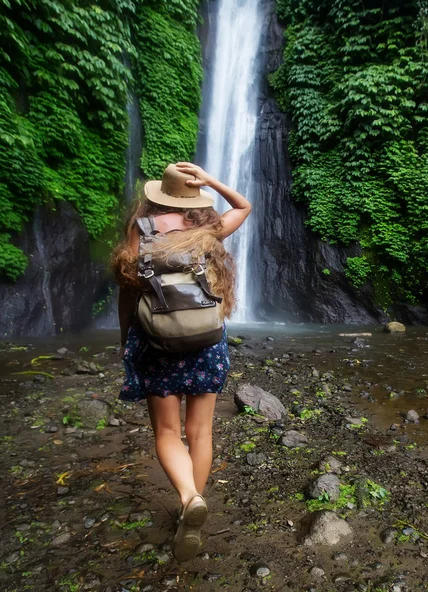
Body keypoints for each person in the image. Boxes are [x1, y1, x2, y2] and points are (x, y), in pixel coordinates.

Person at [112, 162, 251, 561]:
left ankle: (189, 497)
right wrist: (212, 182)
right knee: (201, 431)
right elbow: (244, 206)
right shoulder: (208, 231)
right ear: (195, 196)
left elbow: (127, 289)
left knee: (169, 431)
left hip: (157, 342)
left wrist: (126, 340)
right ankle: (194, 502)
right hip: (206, 341)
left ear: (157, 196)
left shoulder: (142, 231)